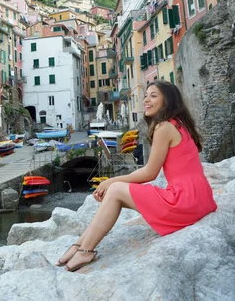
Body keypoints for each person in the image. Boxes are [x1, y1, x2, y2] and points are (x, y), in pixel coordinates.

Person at [57, 80, 217, 272]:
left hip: (184, 202)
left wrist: (111, 181)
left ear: (168, 101)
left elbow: (150, 172)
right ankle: (80, 245)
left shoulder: (164, 127)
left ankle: (85, 250)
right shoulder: (179, 123)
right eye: (146, 96)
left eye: (154, 95)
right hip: (199, 198)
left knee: (115, 190)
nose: (146, 100)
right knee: (115, 194)